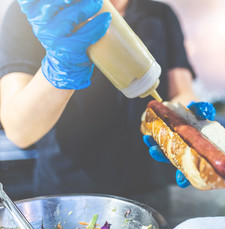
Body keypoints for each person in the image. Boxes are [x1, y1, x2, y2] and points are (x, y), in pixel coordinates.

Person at [0, 0, 211, 198]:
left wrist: (186, 118)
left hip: (150, 188)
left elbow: (181, 91)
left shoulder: (160, 13)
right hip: (69, 195)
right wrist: (60, 68)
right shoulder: (38, 12)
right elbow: (19, 131)